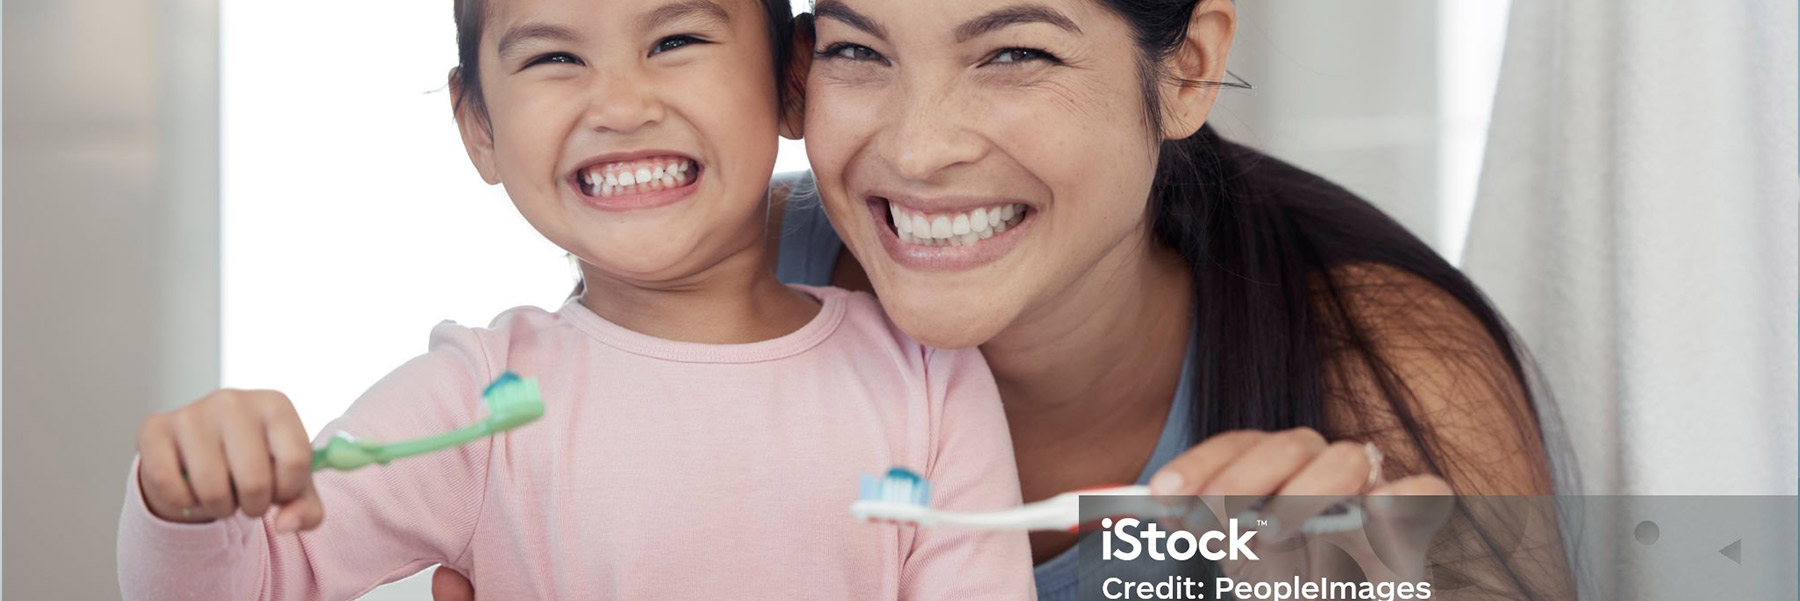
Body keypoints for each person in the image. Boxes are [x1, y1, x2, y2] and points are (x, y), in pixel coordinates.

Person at [436, 0, 1574, 598]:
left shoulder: (1384, 366)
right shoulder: (732, 274)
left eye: (1015, 54)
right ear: (794, 75)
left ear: (1183, 71)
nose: (920, 150)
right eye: (858, 52)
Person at [117, 0, 1034, 598]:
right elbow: (252, 581)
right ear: (477, 126)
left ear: (791, 80)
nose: (622, 104)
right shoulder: (477, 401)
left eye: (674, 41)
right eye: (554, 57)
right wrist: (187, 497)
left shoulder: (926, 378)